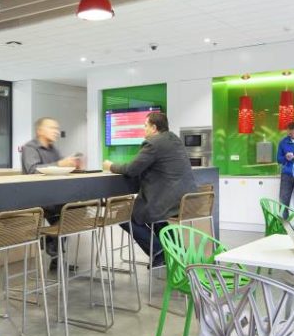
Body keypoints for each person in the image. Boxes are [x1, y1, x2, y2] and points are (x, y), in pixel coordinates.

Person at [103, 111, 196, 267]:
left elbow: (131, 169)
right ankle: (177, 251)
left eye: (145, 126)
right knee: (157, 218)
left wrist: (110, 166)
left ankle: (158, 252)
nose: (143, 129)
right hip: (184, 199)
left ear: (154, 127)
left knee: (122, 216)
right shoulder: (174, 139)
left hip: (166, 200)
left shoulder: (153, 143)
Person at [20, 117, 81, 267]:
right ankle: (53, 249)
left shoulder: (53, 149)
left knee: (79, 208)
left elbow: (60, 168)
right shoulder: (30, 148)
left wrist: (72, 166)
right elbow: (32, 170)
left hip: (54, 195)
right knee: (68, 212)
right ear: (40, 130)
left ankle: (50, 241)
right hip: (37, 196)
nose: (56, 132)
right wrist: (60, 164)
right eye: (52, 128)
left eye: (57, 129)